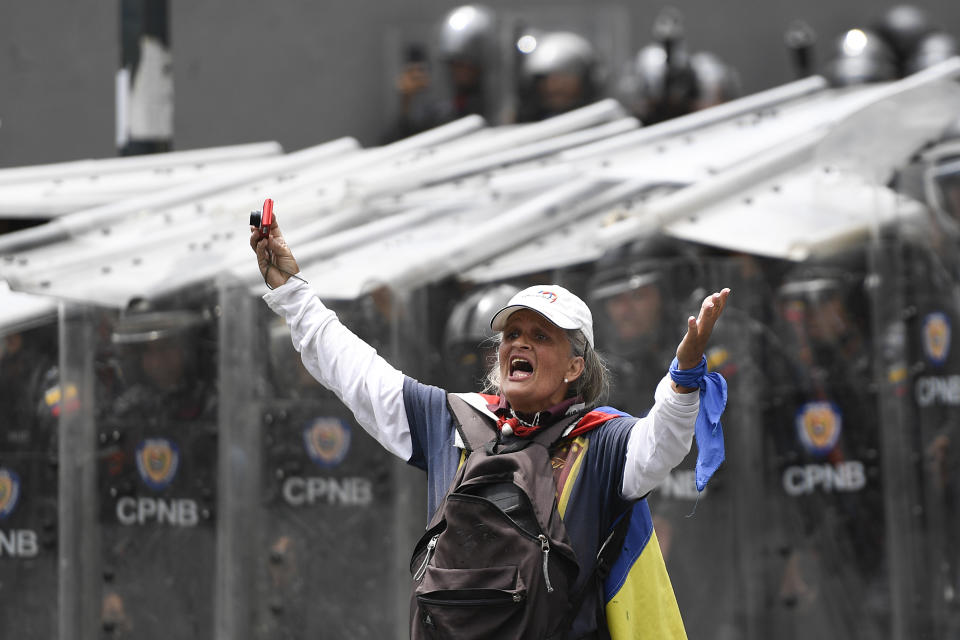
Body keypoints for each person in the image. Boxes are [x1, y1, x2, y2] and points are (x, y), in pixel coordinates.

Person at [250, 216, 730, 638]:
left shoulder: (600, 440)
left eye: (541, 336)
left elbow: (661, 445)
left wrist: (683, 377)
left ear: (574, 368)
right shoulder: (456, 420)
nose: (519, 344)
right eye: (512, 334)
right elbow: (356, 374)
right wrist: (290, 291)